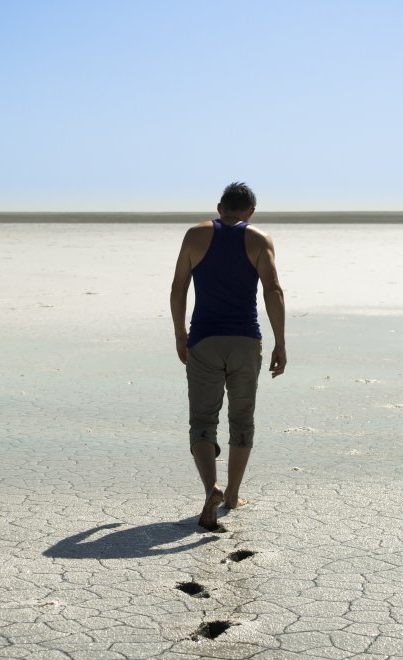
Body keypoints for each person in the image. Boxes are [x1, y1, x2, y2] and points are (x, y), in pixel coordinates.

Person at [169, 182, 286, 531]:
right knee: (242, 419)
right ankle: (233, 494)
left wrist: (180, 334)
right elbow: (273, 290)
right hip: (245, 341)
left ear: (220, 207)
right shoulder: (259, 239)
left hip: (204, 339)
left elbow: (178, 288)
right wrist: (280, 342)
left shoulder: (194, 235)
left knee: (203, 421)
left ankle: (211, 488)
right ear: (250, 211)